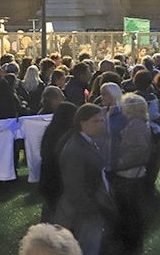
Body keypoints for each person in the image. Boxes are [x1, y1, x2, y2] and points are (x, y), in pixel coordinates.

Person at [54, 104, 114, 255]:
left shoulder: (88, 141)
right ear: (82, 123)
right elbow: (74, 189)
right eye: (96, 121)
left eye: (102, 120)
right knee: (87, 249)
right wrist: (93, 210)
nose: (101, 124)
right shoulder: (75, 149)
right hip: (85, 213)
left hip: (93, 207)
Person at [111, 93, 152, 255]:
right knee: (133, 212)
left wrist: (120, 163)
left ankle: (130, 245)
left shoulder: (135, 125)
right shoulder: (140, 122)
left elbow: (140, 149)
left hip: (129, 175)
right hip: (134, 174)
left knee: (129, 212)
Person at [38, 102, 77, 222]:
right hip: (59, 179)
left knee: (50, 208)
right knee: (58, 213)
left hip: (47, 178)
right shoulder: (67, 134)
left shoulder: (50, 131)